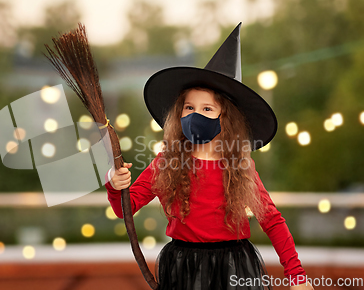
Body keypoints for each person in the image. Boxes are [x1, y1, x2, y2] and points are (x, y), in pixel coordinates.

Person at [105, 23, 314, 290]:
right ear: (179, 114)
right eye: (189, 107)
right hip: (183, 269)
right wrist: (116, 184)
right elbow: (125, 208)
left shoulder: (240, 166)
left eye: (207, 108)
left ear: (225, 118)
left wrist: (296, 274)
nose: (195, 115)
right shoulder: (167, 162)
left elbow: (272, 220)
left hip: (233, 267)